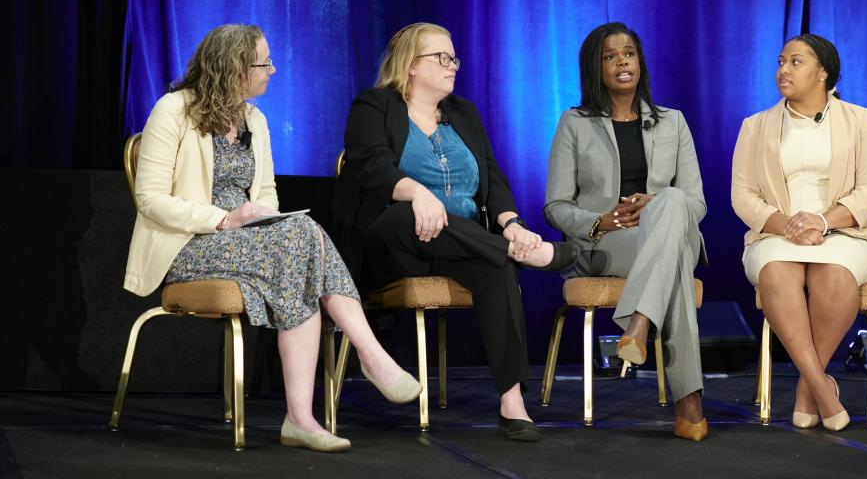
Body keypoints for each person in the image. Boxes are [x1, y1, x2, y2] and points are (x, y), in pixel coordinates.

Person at [123, 24, 420, 453]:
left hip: (249, 244)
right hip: (186, 244)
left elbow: (265, 196)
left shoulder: (254, 119)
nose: (273, 70)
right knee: (303, 243)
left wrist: (263, 220)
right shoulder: (173, 110)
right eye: (264, 62)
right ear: (233, 68)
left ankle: (303, 417)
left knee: (300, 246)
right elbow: (150, 200)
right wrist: (224, 219)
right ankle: (368, 358)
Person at [331, 22, 579, 442]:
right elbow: (369, 164)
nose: (452, 66)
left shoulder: (464, 113)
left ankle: (512, 401)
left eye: (454, 58)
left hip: (457, 242)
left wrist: (511, 222)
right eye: (440, 57)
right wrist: (417, 195)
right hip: (393, 242)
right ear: (410, 65)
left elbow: (492, 177)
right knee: (407, 216)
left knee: (495, 269)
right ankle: (519, 252)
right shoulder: (374, 105)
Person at [543, 22, 709, 441]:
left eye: (629, 53)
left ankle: (638, 324)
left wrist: (656, 206)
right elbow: (556, 205)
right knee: (671, 269)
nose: (622, 61)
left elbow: (697, 203)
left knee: (670, 201)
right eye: (610, 55)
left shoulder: (673, 122)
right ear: (594, 68)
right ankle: (689, 403)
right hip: (607, 244)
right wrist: (601, 221)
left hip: (668, 233)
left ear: (640, 62)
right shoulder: (574, 123)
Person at [731, 33, 867, 432]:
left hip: (846, 234)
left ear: (823, 73)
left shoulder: (861, 119)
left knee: (834, 274)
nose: (783, 69)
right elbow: (742, 195)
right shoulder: (756, 125)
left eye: (795, 62)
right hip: (775, 235)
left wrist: (823, 220)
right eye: (781, 61)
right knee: (777, 271)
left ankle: (805, 390)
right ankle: (821, 383)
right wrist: (787, 226)